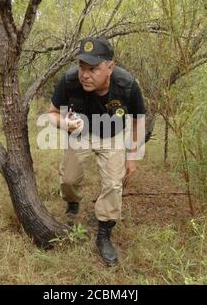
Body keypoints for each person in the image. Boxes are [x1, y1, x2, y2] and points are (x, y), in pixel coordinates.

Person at [47, 37, 146, 266]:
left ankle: (104, 232)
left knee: (113, 183)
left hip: (112, 135)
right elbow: (52, 113)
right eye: (82, 67)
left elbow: (139, 120)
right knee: (69, 180)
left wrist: (132, 155)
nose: (85, 75)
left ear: (110, 67)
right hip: (80, 133)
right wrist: (65, 124)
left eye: (93, 69)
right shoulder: (69, 80)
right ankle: (72, 204)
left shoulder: (127, 84)